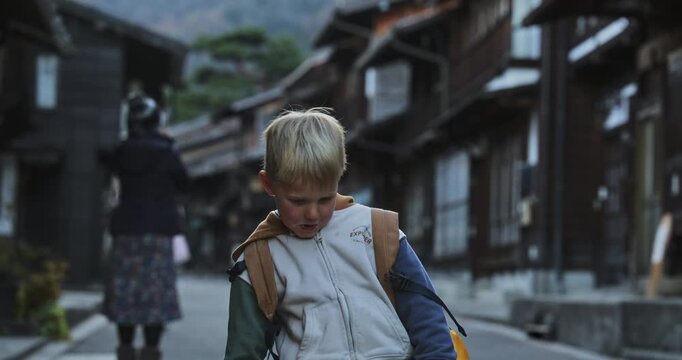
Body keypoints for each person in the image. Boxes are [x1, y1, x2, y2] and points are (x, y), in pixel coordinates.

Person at [224, 108, 457, 359]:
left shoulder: (379, 230)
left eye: (325, 198)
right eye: (298, 201)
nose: (312, 214)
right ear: (268, 184)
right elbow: (243, 351)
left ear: (339, 177)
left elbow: (427, 317)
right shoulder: (258, 259)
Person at [102, 93, 189, 360]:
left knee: (126, 292)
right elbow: (184, 183)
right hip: (159, 230)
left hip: (127, 228)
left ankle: (125, 351)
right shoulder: (167, 152)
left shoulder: (122, 151)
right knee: (155, 294)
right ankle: (151, 352)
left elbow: (107, 165)